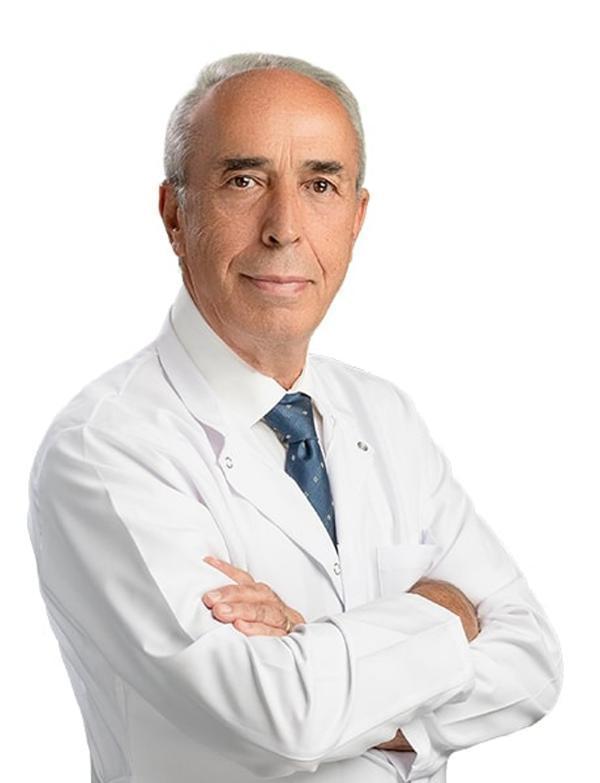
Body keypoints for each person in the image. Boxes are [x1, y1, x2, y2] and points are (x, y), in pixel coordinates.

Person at [27, 52, 562, 783]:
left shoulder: (383, 413)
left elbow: (533, 661)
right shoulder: (104, 450)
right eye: (244, 181)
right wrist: (449, 611)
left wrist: (314, 649)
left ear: (357, 217)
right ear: (175, 214)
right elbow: (281, 718)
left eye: (320, 185)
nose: (284, 227)